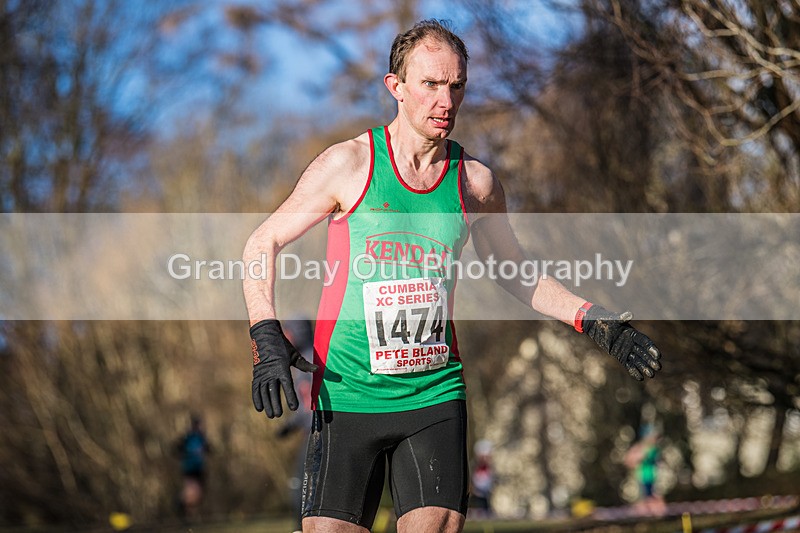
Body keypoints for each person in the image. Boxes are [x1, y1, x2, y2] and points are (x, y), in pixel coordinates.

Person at [243, 19, 662, 533]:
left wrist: (591, 318)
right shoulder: (349, 165)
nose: (446, 100)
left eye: (457, 85)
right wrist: (266, 334)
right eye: (431, 84)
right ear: (395, 87)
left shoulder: (476, 184)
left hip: (434, 396)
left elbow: (518, 273)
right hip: (348, 396)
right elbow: (263, 242)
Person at [175, 414, 211, 522]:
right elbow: (177, 448)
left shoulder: (201, 437)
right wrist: (185, 455)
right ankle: (182, 506)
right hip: (190, 468)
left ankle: (190, 516)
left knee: (198, 494)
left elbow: (209, 449)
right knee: (193, 491)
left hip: (198, 468)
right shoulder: (188, 437)